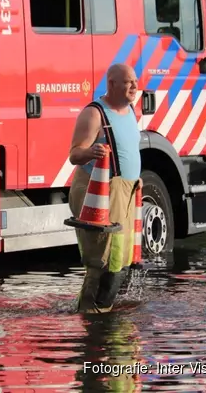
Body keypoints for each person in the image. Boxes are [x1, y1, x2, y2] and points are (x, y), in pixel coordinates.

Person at [67, 63, 142, 313]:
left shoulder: (130, 110)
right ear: (111, 84)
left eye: (135, 81)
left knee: (120, 259)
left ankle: (103, 311)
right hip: (99, 194)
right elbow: (75, 155)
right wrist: (91, 152)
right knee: (101, 259)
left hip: (126, 192)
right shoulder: (94, 114)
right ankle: (88, 313)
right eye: (129, 82)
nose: (135, 86)